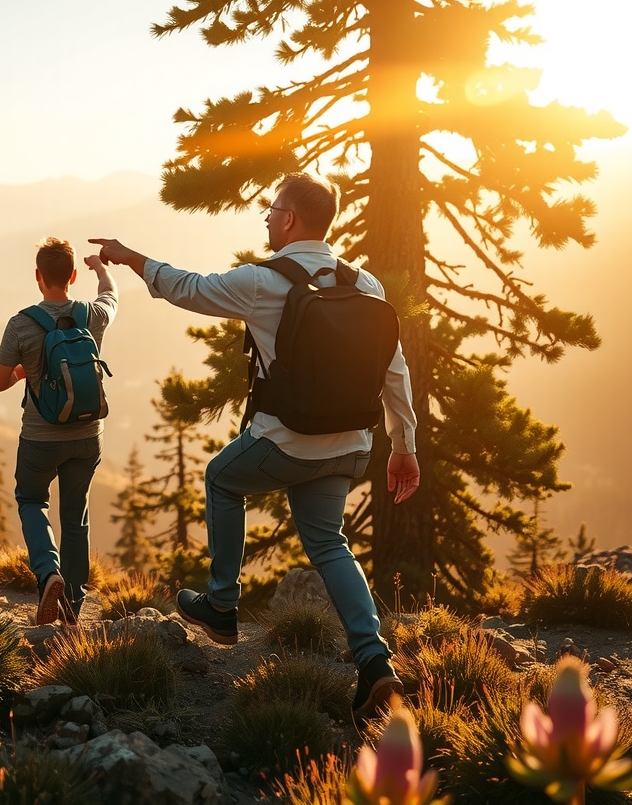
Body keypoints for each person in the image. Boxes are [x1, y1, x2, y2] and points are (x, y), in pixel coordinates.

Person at [89, 171, 420, 722]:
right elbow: (395, 370)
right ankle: (374, 663)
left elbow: (188, 287)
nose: (266, 216)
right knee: (329, 544)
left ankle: (221, 604)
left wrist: (130, 257)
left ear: (290, 219)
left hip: (287, 439)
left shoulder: (264, 282)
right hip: (350, 446)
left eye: (272, 209)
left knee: (222, 478)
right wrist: (403, 445)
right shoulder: (366, 286)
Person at [0, 238, 117, 625]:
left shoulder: (22, 323)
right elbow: (112, 296)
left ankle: (49, 573)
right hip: (86, 434)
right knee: (75, 517)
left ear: (38, 278)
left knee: (31, 501)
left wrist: (24, 370)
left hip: (40, 437)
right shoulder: (93, 315)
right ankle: (72, 609)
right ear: (73, 275)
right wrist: (100, 267)